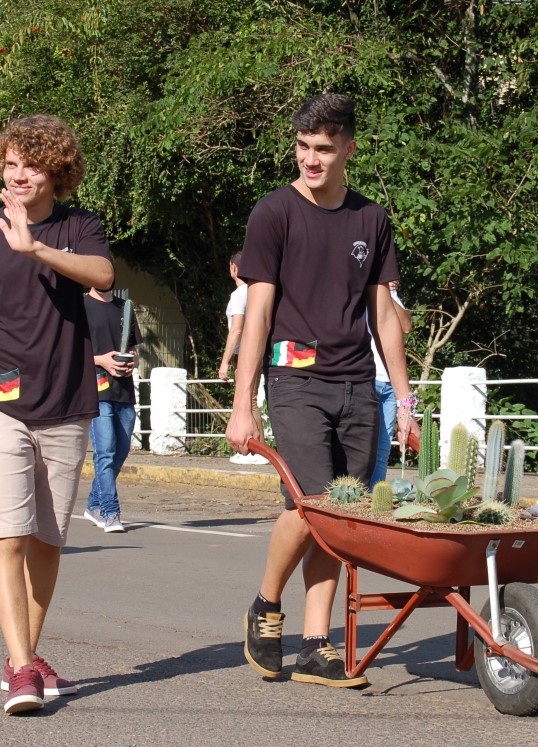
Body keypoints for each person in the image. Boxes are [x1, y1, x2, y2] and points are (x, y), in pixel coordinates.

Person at [226, 93, 415, 687]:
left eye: (324, 149)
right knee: (313, 502)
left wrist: (406, 403)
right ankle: (266, 602)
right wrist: (243, 405)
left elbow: (384, 316)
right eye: (303, 146)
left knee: (342, 512)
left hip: (357, 383)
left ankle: (315, 643)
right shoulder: (274, 213)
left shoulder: (371, 219)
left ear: (349, 150)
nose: (311, 159)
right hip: (295, 381)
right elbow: (257, 315)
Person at [0, 114, 114, 714]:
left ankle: (23, 658)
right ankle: (21, 671)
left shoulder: (79, 227)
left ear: (56, 172)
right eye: (10, 164)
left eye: (30, 166)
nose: (17, 175)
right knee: (7, 535)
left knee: (48, 541)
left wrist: (35, 246)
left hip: (65, 404)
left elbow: (103, 276)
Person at [81, 286, 140, 534]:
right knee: (105, 452)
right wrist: (101, 360)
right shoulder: (80, 305)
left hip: (124, 391)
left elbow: (134, 350)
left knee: (120, 451)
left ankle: (93, 504)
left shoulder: (125, 307)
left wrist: (132, 361)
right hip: (96, 390)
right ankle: (110, 511)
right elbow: (70, 351)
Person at [218, 250, 267, 465]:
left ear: (234, 267)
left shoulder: (239, 294)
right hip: (260, 351)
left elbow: (236, 330)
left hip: (245, 354)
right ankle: (257, 450)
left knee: (249, 401)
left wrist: (225, 361)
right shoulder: (257, 291)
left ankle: (257, 451)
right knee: (252, 400)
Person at [369, 279, 412, 486]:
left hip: (390, 383)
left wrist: (386, 294)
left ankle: (375, 495)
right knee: (362, 446)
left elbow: (406, 325)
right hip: (368, 378)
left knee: (383, 448)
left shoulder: (390, 294)